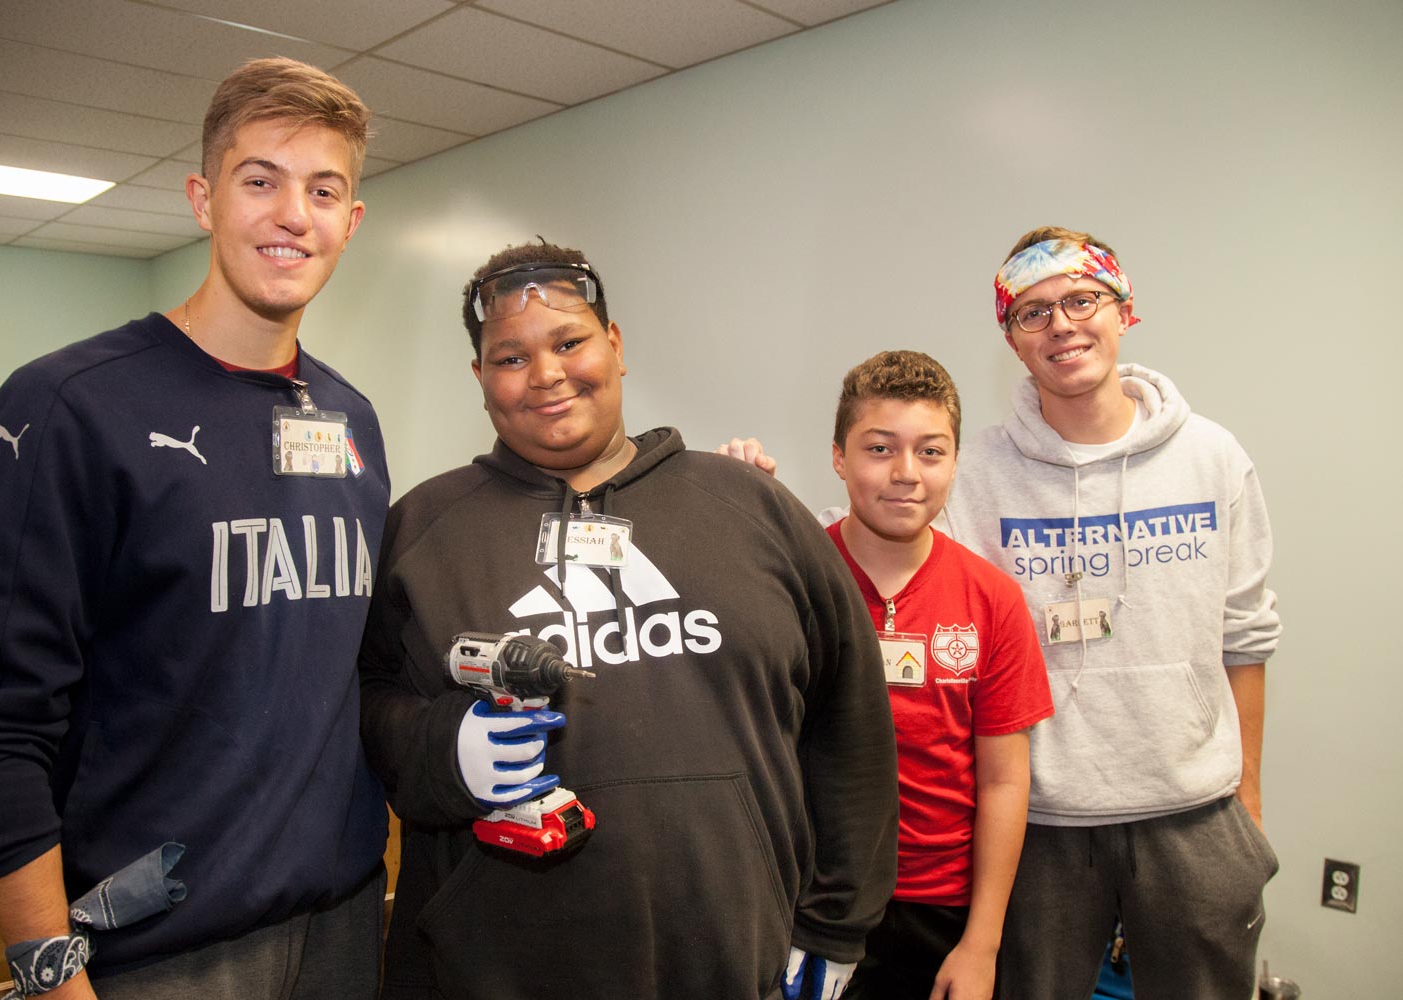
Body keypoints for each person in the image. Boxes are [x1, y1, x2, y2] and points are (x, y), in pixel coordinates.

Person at [0, 58, 389, 999]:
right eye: (259, 180)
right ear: (203, 198)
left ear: (351, 220)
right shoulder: (68, 406)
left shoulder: (352, 420)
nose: (291, 214)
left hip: (343, 921)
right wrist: (46, 970)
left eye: (323, 189)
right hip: (157, 949)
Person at [358, 241, 898, 1000]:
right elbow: (364, 709)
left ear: (614, 346)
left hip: (733, 959)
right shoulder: (422, 529)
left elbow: (852, 720)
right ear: (480, 379)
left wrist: (839, 919)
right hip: (491, 973)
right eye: (510, 358)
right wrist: (442, 749)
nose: (546, 375)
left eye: (569, 342)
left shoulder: (752, 508)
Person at [938, 227, 1281, 999]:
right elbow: (878, 542)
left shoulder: (1212, 457)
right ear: (1014, 342)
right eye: (1032, 314)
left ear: (1124, 310)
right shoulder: (972, 473)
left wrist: (1247, 799)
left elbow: (1247, 634)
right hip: (1041, 823)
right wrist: (752, 487)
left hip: (1195, 813)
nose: (1060, 324)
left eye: (1081, 300)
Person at [825, 350, 1052, 1000]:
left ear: (955, 461)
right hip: (817, 898)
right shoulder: (800, 582)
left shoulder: (992, 598)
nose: (905, 474)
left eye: (930, 451)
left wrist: (982, 945)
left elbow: (1006, 778)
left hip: (942, 913)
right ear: (839, 457)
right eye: (879, 448)